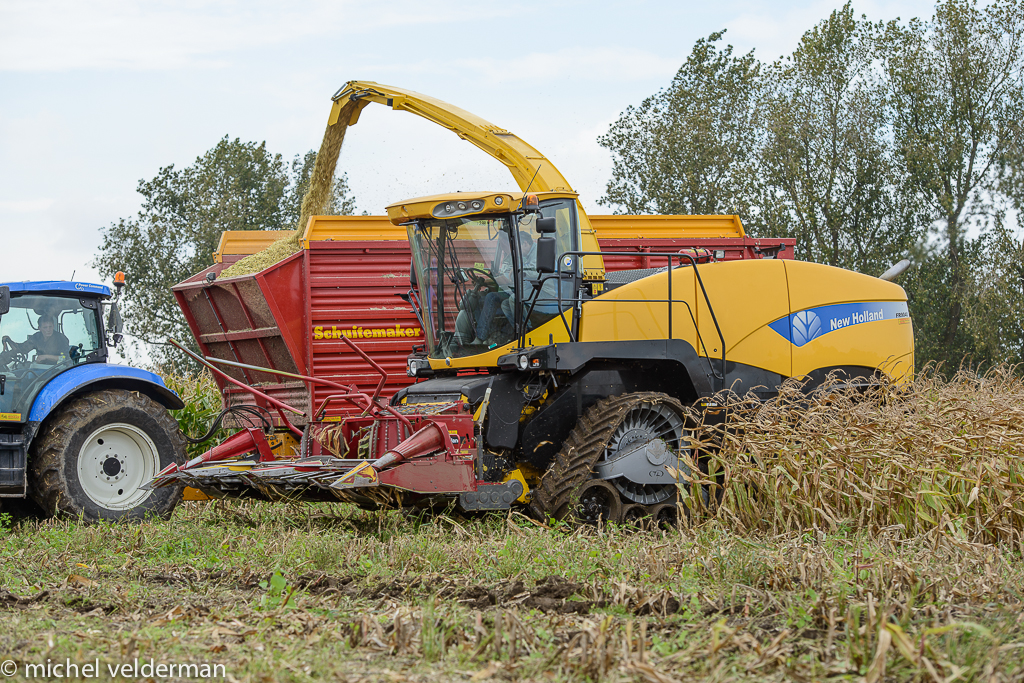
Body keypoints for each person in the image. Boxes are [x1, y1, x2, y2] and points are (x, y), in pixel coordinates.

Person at [2, 314, 70, 365]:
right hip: (41, 368)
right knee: (18, 374)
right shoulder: (37, 337)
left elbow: (64, 357)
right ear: (39, 328)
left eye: (50, 327)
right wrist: (9, 341)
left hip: (57, 370)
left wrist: (46, 357)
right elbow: (22, 349)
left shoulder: (61, 338)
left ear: (53, 326)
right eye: (45, 327)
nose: (48, 330)